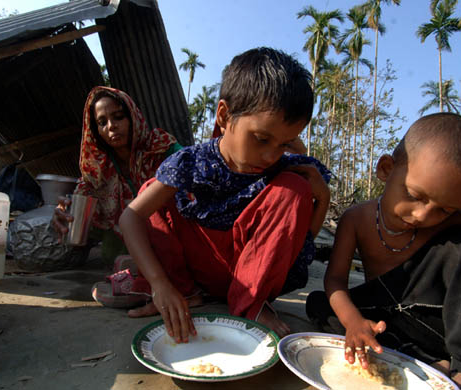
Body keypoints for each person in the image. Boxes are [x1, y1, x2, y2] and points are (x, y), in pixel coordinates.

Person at [117, 47, 331, 342]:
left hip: (253, 276)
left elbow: (297, 241)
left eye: (284, 144)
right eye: (261, 138)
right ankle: (183, 293)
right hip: (195, 270)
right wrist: (159, 284)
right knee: (152, 194)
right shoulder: (190, 163)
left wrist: (323, 200)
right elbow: (131, 217)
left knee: (296, 189)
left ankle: (250, 305)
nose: (270, 155)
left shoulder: (287, 169)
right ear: (224, 115)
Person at [306, 113, 461, 390]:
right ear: (386, 169)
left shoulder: (459, 222)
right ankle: (426, 361)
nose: (423, 215)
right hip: (388, 321)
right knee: (321, 305)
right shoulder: (356, 219)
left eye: (444, 209)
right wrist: (354, 322)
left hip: (443, 324)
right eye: (415, 195)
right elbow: (336, 281)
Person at [51, 86, 181, 265]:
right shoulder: (98, 171)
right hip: (122, 254)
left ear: (132, 117)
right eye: (102, 122)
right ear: (96, 130)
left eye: (118, 117)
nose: (111, 126)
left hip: (173, 241)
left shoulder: (161, 147)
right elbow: (78, 203)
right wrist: (66, 212)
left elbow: (191, 169)